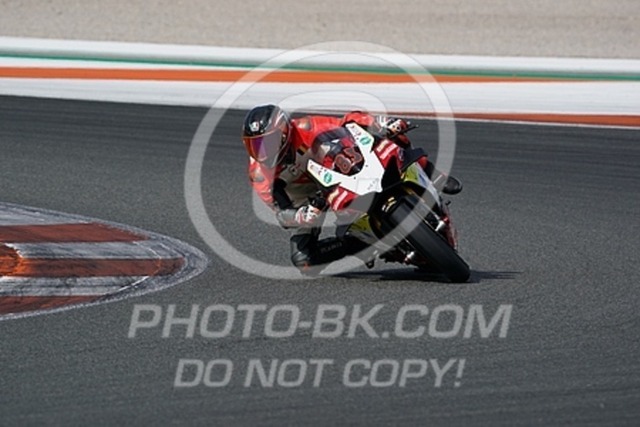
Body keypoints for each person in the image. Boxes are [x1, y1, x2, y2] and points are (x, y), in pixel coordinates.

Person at [241, 104, 462, 272]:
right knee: (304, 260)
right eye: (255, 145)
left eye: (267, 142)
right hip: (306, 199)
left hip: (331, 168)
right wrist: (301, 216)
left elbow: (347, 122)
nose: (262, 152)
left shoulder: (305, 128)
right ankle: (359, 242)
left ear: (284, 133)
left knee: (394, 135)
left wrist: (380, 123)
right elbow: (281, 213)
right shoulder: (259, 174)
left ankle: (433, 174)